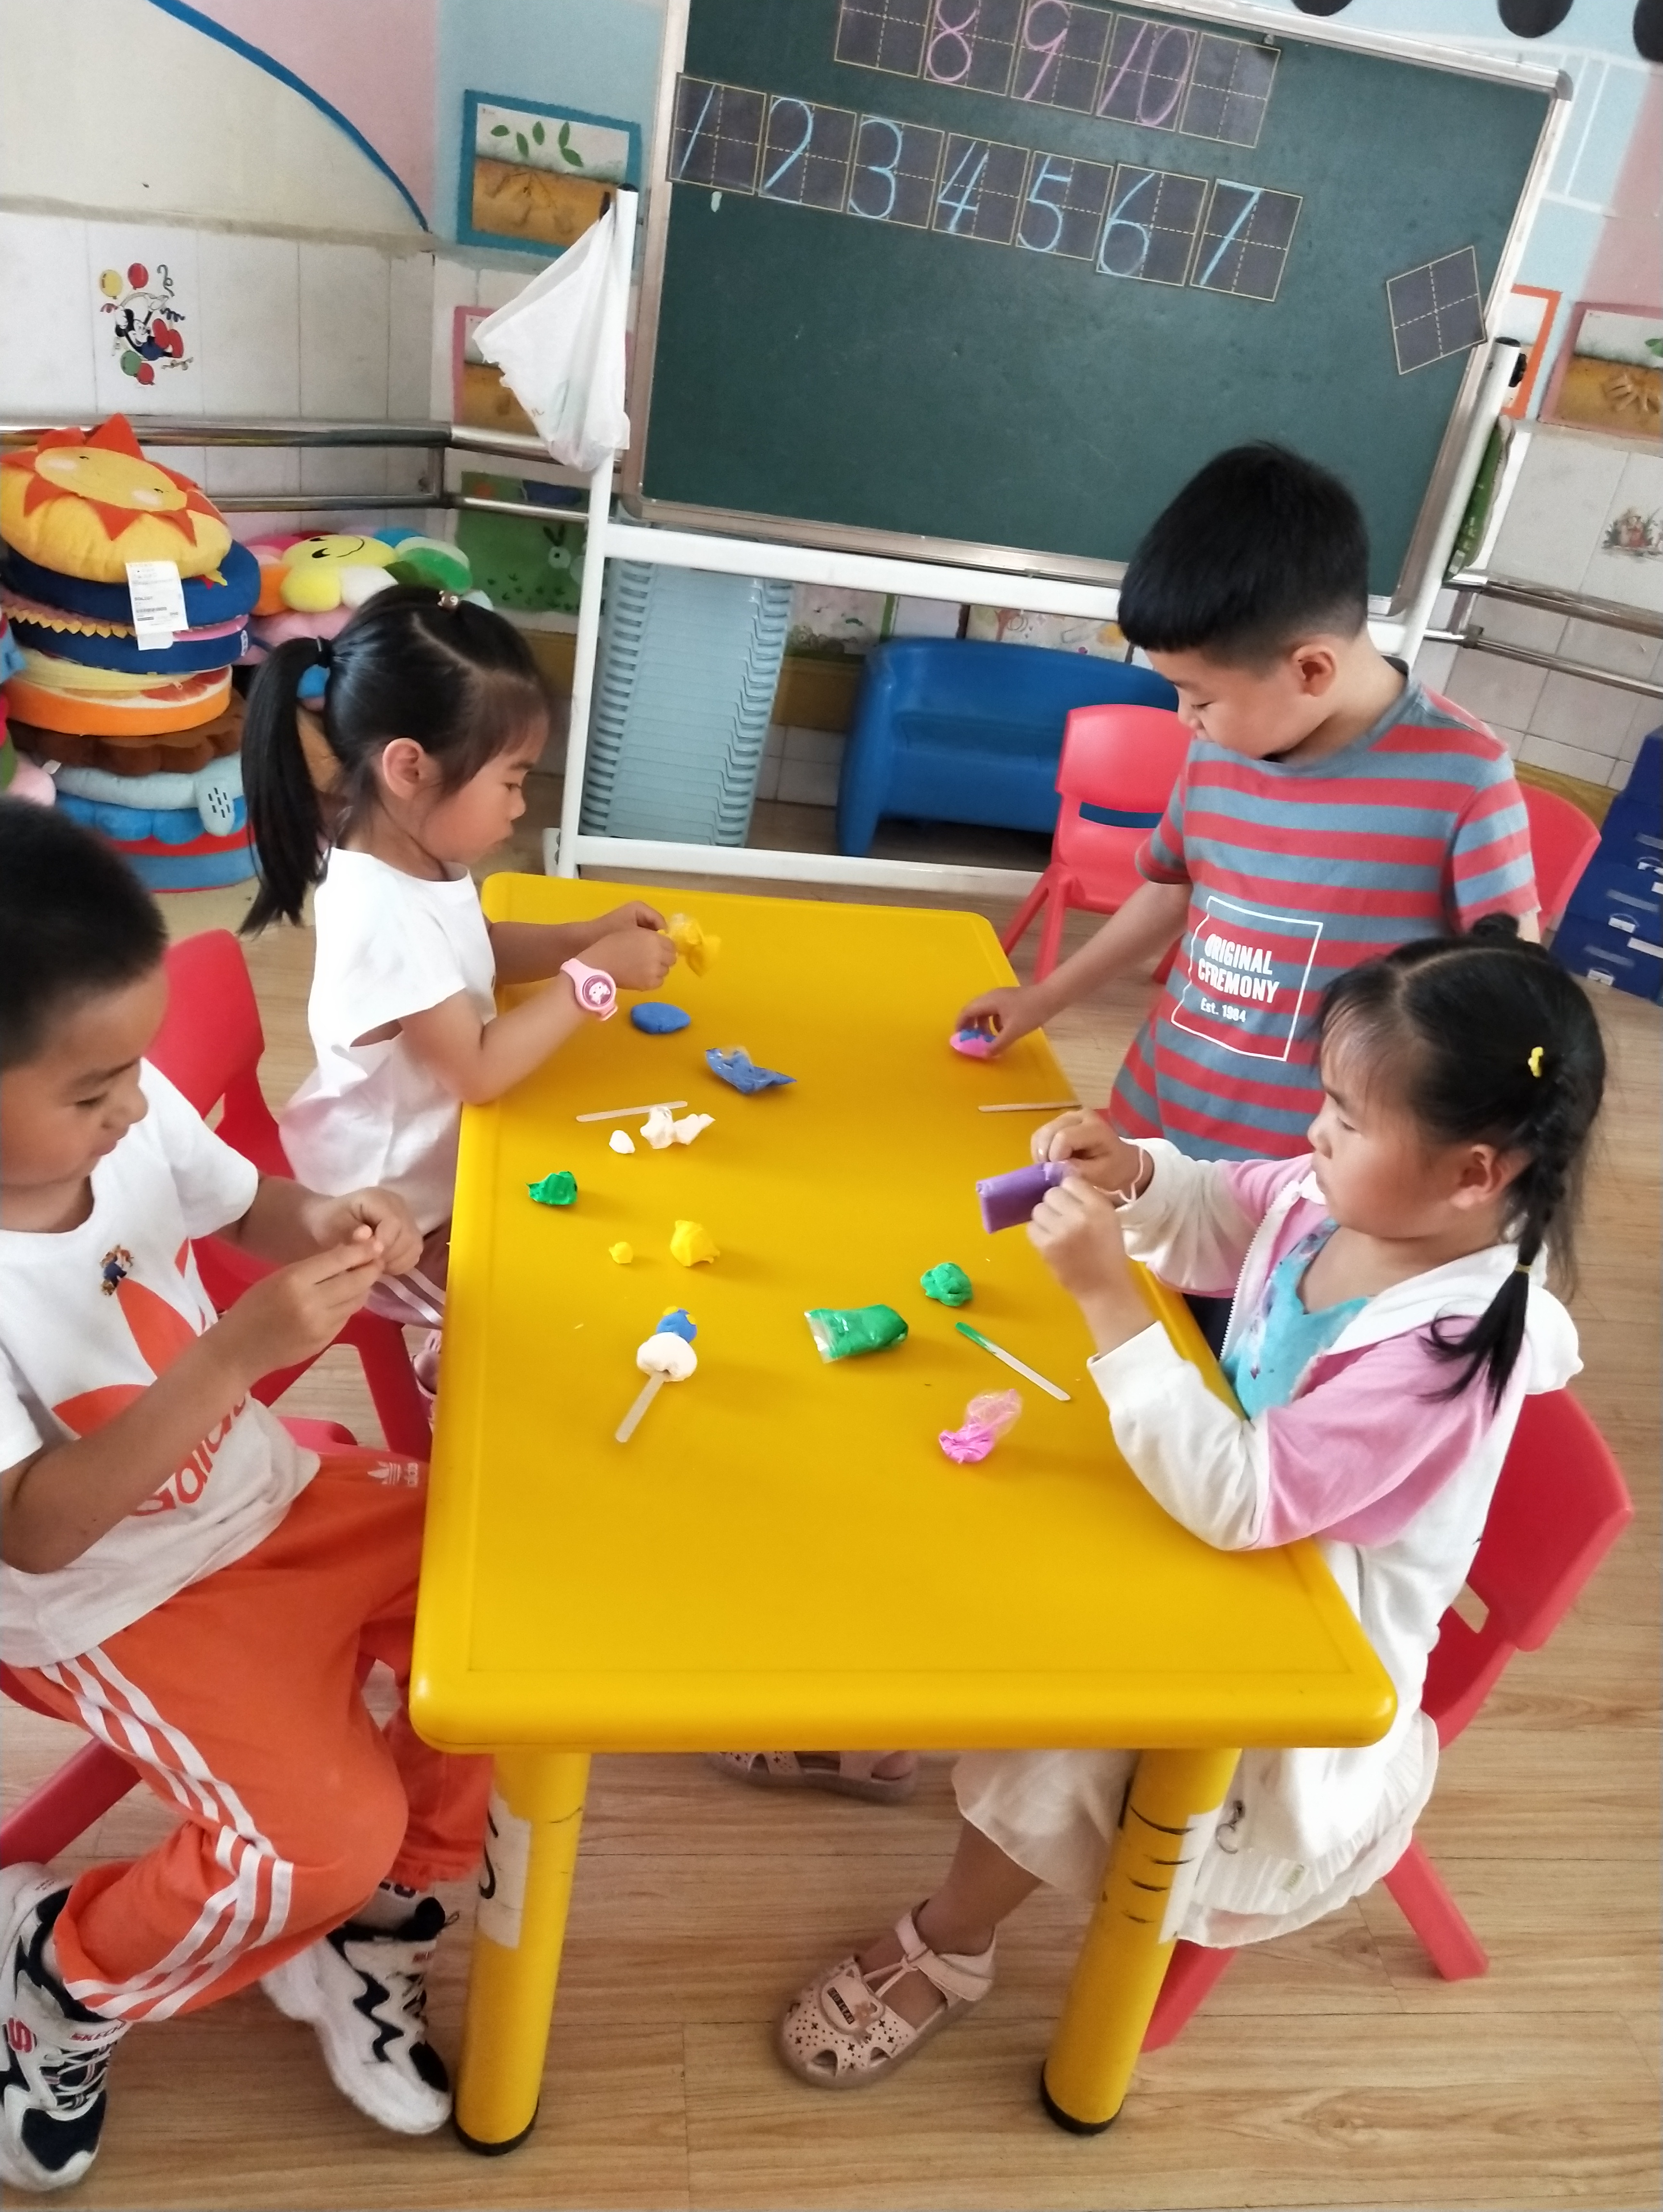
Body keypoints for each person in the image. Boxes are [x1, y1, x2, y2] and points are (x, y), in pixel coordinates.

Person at [774, 917, 1602, 2089]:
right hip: (1236, 1535)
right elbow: (1226, 1205)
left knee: (1066, 1731)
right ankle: (887, 1741)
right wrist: (1135, 1174)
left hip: (1307, 1639)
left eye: (1348, 1118)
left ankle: (952, 1945)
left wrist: (1110, 1301)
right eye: (1325, 1102)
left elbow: (1246, 1498)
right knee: (998, 1528)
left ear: (1475, 1175)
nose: (1315, 1134)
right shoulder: (1345, 1199)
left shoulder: (1447, 1349)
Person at [0, 801, 493, 2192]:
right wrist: (227, 1359)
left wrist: (324, 1219)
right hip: (110, 1603)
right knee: (314, 1843)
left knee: (509, 1603)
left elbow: (235, 1205)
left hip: (265, 1496)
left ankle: (376, 1928)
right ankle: (59, 1977)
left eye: (134, 1070)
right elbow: (37, 1533)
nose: (130, 1108)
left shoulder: (124, 1101)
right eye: (92, 1094)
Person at [957, 445, 1539, 1169]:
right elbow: (1174, 890)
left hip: (1305, 1179)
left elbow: (1510, 996)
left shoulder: (1464, 777)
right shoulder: (1222, 745)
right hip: (1157, 1120)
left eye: (1200, 699)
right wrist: (1045, 997)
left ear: (1311, 670)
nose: (1185, 720)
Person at [241, 586, 676, 1347]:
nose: (519, 807)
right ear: (410, 767)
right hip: (392, 1222)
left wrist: (583, 936)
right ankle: (447, 1372)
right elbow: (477, 1071)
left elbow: (477, 948)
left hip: (441, 1164)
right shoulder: (384, 915)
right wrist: (593, 978)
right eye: (511, 781)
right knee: (545, 1319)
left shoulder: (414, 851)